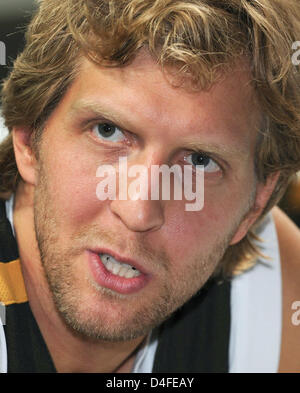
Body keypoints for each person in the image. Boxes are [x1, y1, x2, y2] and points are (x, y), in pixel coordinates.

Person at [0, 0, 300, 373]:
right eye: (108, 131)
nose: (139, 211)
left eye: (199, 161)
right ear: (28, 138)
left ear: (255, 205)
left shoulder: (273, 292)